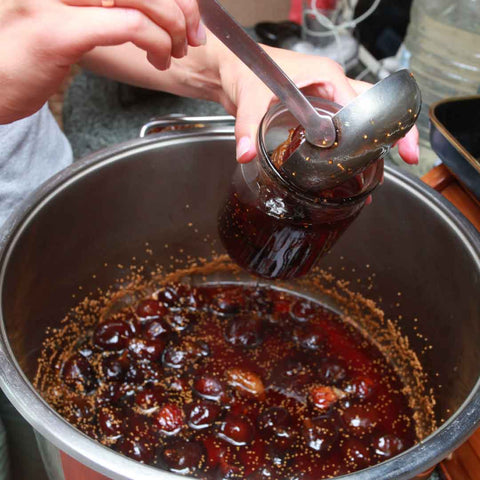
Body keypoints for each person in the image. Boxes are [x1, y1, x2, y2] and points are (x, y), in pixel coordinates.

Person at [0, 0, 419, 478]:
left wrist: (228, 67)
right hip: (25, 294)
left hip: (33, 216)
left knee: (28, 451)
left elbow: (78, 19)